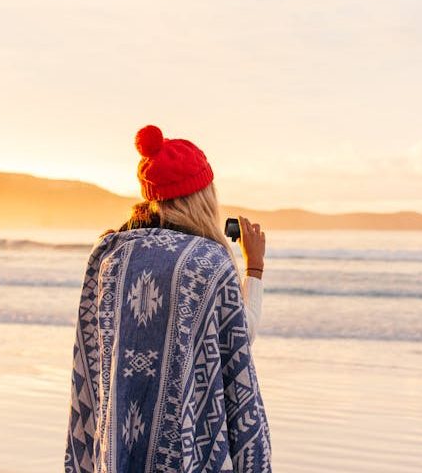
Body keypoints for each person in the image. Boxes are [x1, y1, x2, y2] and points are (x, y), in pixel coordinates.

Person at [64, 124, 272, 473]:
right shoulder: (206, 261)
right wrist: (255, 269)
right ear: (201, 196)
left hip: (120, 434)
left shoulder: (111, 255)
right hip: (183, 443)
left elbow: (95, 350)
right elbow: (239, 338)